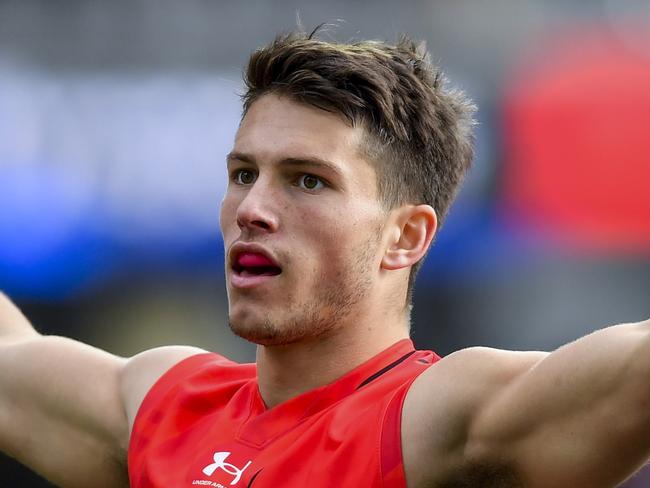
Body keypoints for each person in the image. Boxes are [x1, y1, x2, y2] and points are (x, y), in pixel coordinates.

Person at [1, 29, 649, 488]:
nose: (253, 207)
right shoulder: (160, 408)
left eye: (308, 180)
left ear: (406, 237)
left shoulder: (439, 421)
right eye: (243, 173)